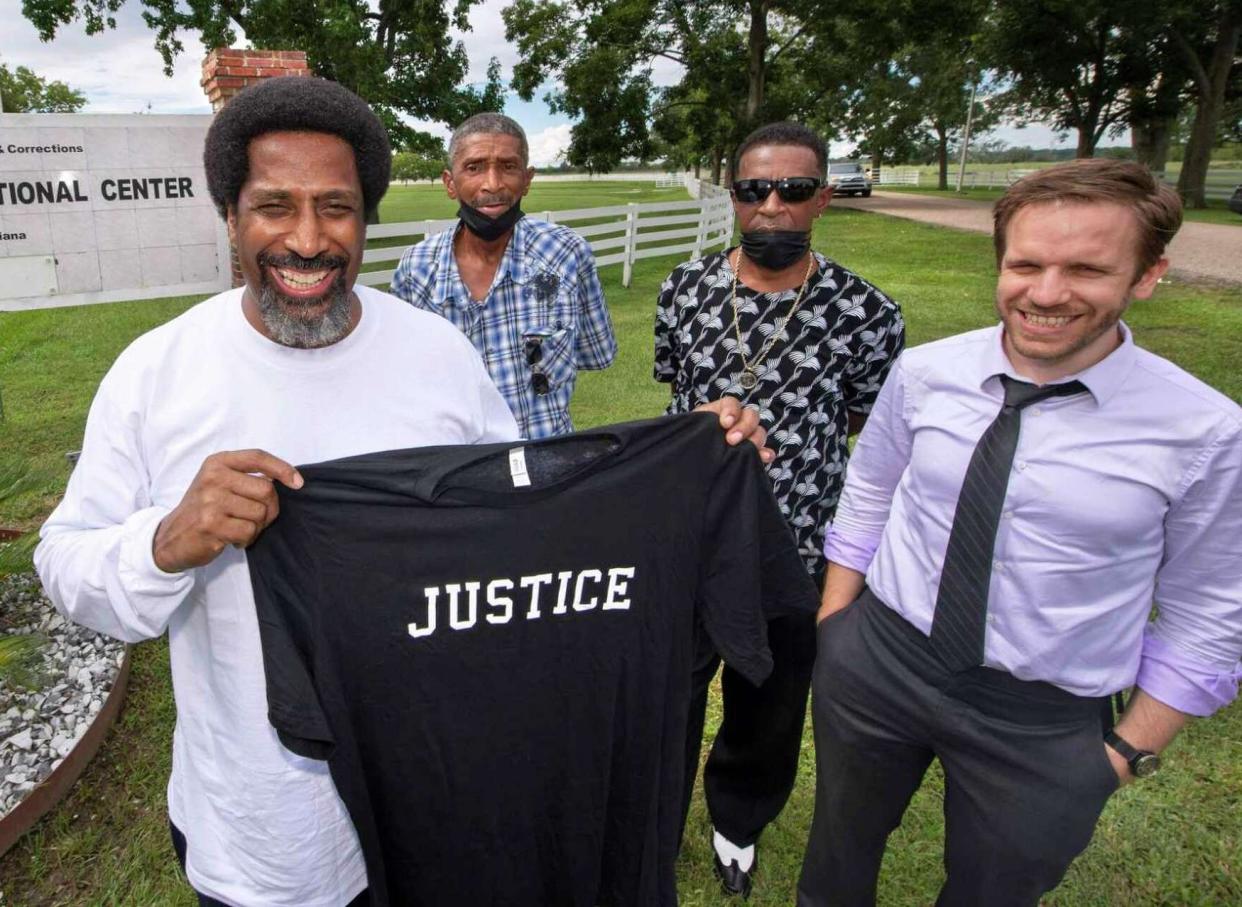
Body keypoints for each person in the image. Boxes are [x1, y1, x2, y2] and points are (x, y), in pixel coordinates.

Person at [33, 76, 764, 907]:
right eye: (276, 207)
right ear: (230, 217)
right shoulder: (155, 373)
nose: (307, 240)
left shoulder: (437, 354)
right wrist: (166, 541)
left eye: (336, 207)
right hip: (271, 835)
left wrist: (687, 457)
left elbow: (524, 522)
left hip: (444, 804)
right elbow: (66, 566)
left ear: (367, 217)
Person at [799, 158, 1242, 906]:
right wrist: (837, 622)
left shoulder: (1203, 431)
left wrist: (1130, 748)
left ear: (1147, 274)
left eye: (1086, 269)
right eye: (1026, 263)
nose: (1045, 293)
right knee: (837, 858)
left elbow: (1213, 605)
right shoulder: (926, 373)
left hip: (1040, 718)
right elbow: (871, 487)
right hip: (880, 660)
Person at [654, 121, 905, 897]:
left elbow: (861, 419)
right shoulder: (684, 287)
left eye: (793, 190)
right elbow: (672, 388)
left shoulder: (868, 312)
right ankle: (653, 820)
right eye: (753, 189)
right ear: (734, 197)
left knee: (770, 702)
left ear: (822, 197)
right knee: (668, 694)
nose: (772, 205)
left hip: (799, 546)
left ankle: (737, 817)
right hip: (686, 540)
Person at [391, 113, 617, 439]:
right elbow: (407, 381)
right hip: (458, 470)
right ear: (449, 183)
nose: (493, 184)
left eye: (508, 167)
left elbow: (595, 353)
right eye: (474, 167)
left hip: (549, 466)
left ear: (527, 179)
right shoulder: (416, 270)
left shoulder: (567, 254)